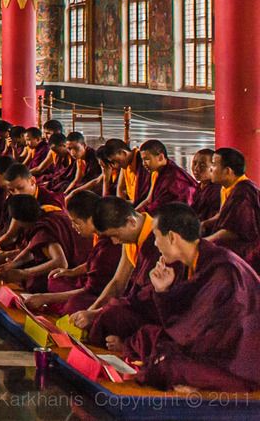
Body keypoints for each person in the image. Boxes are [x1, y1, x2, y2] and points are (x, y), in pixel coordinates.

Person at [123, 202, 260, 392]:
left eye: (155, 236)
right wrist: (163, 291)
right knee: (149, 337)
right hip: (213, 349)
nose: (155, 244)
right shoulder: (198, 260)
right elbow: (188, 323)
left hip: (240, 365)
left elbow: (196, 333)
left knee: (168, 365)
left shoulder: (223, 270)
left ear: (171, 237)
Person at [69, 197, 160, 346]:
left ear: (131, 222)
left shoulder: (157, 240)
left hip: (154, 312)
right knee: (87, 309)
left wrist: (96, 314)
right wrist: (91, 311)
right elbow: (118, 282)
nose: (115, 242)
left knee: (110, 316)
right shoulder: (132, 236)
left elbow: (149, 299)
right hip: (135, 302)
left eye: (116, 235)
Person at [23, 189, 122, 316]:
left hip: (100, 293)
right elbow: (91, 264)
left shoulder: (111, 244)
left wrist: (45, 298)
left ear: (92, 219)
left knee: (74, 305)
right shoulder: (99, 235)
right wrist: (71, 272)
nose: (74, 227)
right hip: (90, 284)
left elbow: (92, 290)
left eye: (76, 223)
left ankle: (59, 305)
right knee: (54, 279)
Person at [202, 147, 260, 269]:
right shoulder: (227, 188)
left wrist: (207, 241)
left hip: (250, 249)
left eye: (214, 164)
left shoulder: (244, 192)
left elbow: (236, 230)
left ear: (227, 171)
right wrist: (204, 224)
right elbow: (223, 215)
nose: (210, 169)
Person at [135, 140, 196, 213]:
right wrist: (134, 213)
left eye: (147, 159)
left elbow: (160, 206)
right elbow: (149, 200)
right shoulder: (157, 172)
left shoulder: (174, 178)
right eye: (142, 160)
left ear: (160, 157)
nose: (143, 163)